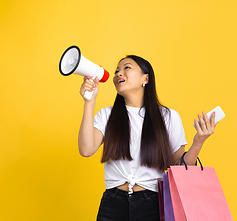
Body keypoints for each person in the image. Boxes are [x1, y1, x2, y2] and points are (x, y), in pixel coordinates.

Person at [78, 55, 216, 221]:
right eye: (116, 71)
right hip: (112, 204)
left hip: (152, 205)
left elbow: (178, 166)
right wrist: (89, 102)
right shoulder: (107, 115)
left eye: (126, 68)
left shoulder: (168, 117)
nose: (118, 74)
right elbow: (86, 150)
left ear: (146, 78)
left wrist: (198, 142)